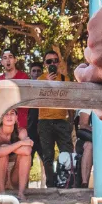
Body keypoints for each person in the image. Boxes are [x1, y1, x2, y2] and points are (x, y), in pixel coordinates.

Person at [35, 48, 75, 186]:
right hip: (44, 121)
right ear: (45, 64)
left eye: (55, 61)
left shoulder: (65, 79)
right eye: (49, 61)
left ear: (59, 63)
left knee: (66, 152)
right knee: (48, 155)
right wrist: (46, 83)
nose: (53, 63)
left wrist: (70, 121)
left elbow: (70, 101)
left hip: (61, 121)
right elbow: (36, 99)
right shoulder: (39, 80)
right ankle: (51, 184)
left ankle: (64, 180)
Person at [0, 109, 34, 198]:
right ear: (1, 117)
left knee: (26, 156)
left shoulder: (21, 131)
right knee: (2, 156)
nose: (9, 117)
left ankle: (21, 193)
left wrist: (6, 147)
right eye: (6, 114)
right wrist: (20, 143)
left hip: (16, 177)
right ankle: (2, 193)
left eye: (12, 113)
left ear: (16, 117)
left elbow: (27, 151)